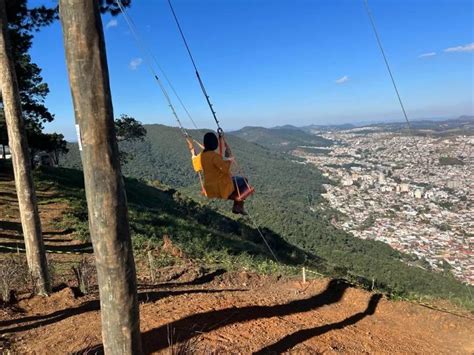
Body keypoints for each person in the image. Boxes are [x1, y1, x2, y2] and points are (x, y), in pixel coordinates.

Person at [200, 132, 249, 215]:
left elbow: (216, 164)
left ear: (204, 144)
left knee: (236, 180)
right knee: (244, 181)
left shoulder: (203, 156)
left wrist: (225, 158)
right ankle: (238, 204)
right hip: (221, 185)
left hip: (209, 186)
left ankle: (236, 201)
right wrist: (229, 159)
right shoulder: (214, 156)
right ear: (215, 144)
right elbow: (224, 169)